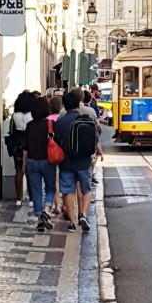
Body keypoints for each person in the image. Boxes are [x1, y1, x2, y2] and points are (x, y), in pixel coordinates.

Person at [53, 91, 104, 233]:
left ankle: (72, 222)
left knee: (68, 190)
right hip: (84, 161)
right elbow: (94, 140)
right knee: (86, 189)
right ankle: (84, 214)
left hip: (67, 162)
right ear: (78, 104)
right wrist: (98, 152)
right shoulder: (87, 120)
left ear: (64, 105)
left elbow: (57, 142)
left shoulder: (60, 122)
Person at [24, 97, 57, 232]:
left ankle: (39, 219)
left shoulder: (30, 125)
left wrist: (24, 163)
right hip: (47, 161)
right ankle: (47, 209)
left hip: (32, 161)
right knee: (50, 189)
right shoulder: (50, 124)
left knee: (36, 191)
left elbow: (26, 146)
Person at [8, 91, 36, 206]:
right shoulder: (32, 114)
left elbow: (12, 130)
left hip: (17, 143)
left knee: (18, 170)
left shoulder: (15, 115)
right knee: (30, 171)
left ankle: (18, 198)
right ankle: (31, 198)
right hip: (29, 142)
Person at [47, 95, 64, 215]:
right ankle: (66, 205)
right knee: (65, 179)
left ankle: (56, 204)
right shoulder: (61, 119)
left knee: (54, 180)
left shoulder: (47, 120)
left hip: (51, 152)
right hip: (62, 152)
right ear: (61, 106)